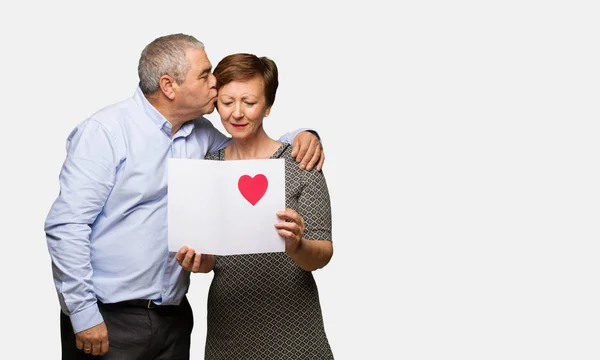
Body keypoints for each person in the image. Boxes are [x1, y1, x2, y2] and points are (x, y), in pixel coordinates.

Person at [45, 34, 324, 360]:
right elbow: (66, 226)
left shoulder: (201, 135)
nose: (214, 83)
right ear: (169, 86)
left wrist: (304, 137)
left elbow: (249, 147)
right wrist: (82, 313)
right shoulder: (105, 132)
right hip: (108, 318)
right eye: (205, 75)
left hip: (174, 320)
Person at [176, 53, 334, 359]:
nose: (237, 113)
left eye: (249, 102)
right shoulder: (207, 168)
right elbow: (211, 262)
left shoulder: (301, 162)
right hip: (229, 328)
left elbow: (323, 253)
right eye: (226, 102)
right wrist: (198, 260)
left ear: (268, 106)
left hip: (295, 327)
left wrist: (297, 245)